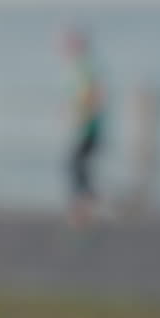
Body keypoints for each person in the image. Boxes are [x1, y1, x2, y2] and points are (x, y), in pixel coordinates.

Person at [60, 24, 106, 228]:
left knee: (76, 165)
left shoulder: (84, 67)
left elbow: (93, 95)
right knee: (79, 167)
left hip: (90, 128)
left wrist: (80, 115)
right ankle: (86, 206)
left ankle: (84, 209)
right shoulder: (81, 67)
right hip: (87, 127)